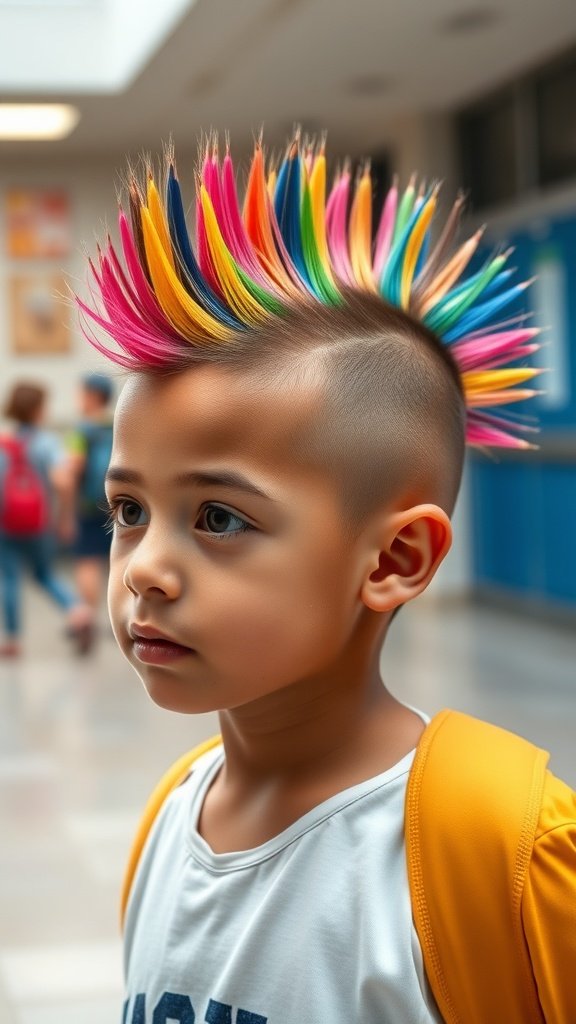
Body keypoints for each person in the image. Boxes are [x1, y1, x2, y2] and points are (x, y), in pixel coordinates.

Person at [78, 133, 575, 1022]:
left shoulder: (502, 847)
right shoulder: (170, 816)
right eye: (127, 512)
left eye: (219, 519)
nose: (145, 569)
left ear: (393, 560)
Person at [0, 382, 94, 656]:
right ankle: (77, 610)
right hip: (40, 524)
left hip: (6, 524)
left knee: (9, 578)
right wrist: (65, 517)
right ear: (38, 409)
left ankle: (13, 640)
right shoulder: (46, 442)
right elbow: (63, 482)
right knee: (45, 574)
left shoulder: (4, 443)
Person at [67, 372, 114, 623]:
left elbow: (74, 468)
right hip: (116, 504)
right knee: (118, 559)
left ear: (93, 396)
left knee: (87, 561)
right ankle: (120, 618)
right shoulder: (117, 424)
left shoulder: (81, 430)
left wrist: (65, 511)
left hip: (87, 506)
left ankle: (89, 618)